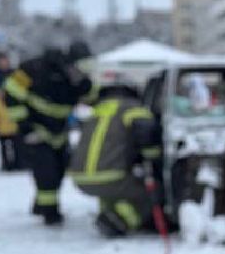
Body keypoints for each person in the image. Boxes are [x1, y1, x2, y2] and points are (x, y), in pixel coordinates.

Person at [2, 42, 98, 225]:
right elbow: (11, 92)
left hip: (59, 131)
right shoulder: (37, 69)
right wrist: (26, 128)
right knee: (47, 172)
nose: (82, 74)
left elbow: (94, 97)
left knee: (60, 168)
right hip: (35, 130)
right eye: (80, 69)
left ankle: (40, 205)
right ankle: (50, 212)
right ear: (69, 64)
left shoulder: (79, 81)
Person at [70, 77, 164, 237]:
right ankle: (117, 221)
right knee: (154, 193)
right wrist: (154, 158)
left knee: (115, 190)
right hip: (110, 177)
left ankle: (109, 211)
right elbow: (146, 134)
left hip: (80, 178)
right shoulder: (133, 108)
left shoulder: (99, 110)